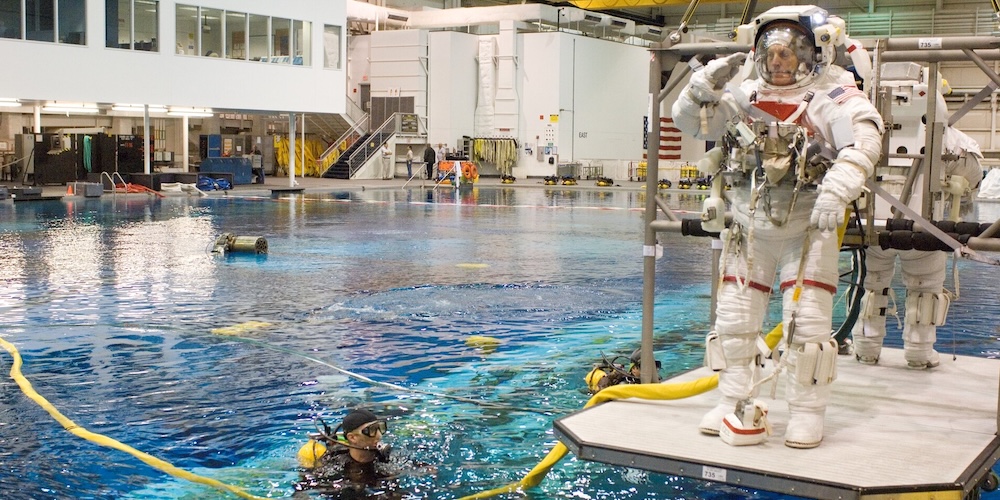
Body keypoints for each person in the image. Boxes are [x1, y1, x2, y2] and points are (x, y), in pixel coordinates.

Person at [671, 5, 883, 448]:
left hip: (809, 225)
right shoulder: (744, 94)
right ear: (759, 53)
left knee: (805, 326)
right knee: (732, 321)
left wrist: (836, 189)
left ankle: (806, 412)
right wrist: (699, 88)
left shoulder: (834, 94)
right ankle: (733, 401)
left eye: (789, 52)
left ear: (813, 52)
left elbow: (864, 142)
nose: (779, 62)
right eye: (772, 52)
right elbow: (688, 121)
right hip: (750, 223)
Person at [853, 76, 985, 369]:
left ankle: (866, 348)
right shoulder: (953, 139)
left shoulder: (865, 135)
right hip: (924, 231)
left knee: (873, 286)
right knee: (925, 289)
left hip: (876, 227)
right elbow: (972, 177)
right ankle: (918, 352)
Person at [295, 408, 407, 498]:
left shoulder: (388, 458)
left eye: (380, 428)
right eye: (371, 430)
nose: (379, 435)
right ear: (352, 437)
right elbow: (302, 487)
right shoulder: (334, 463)